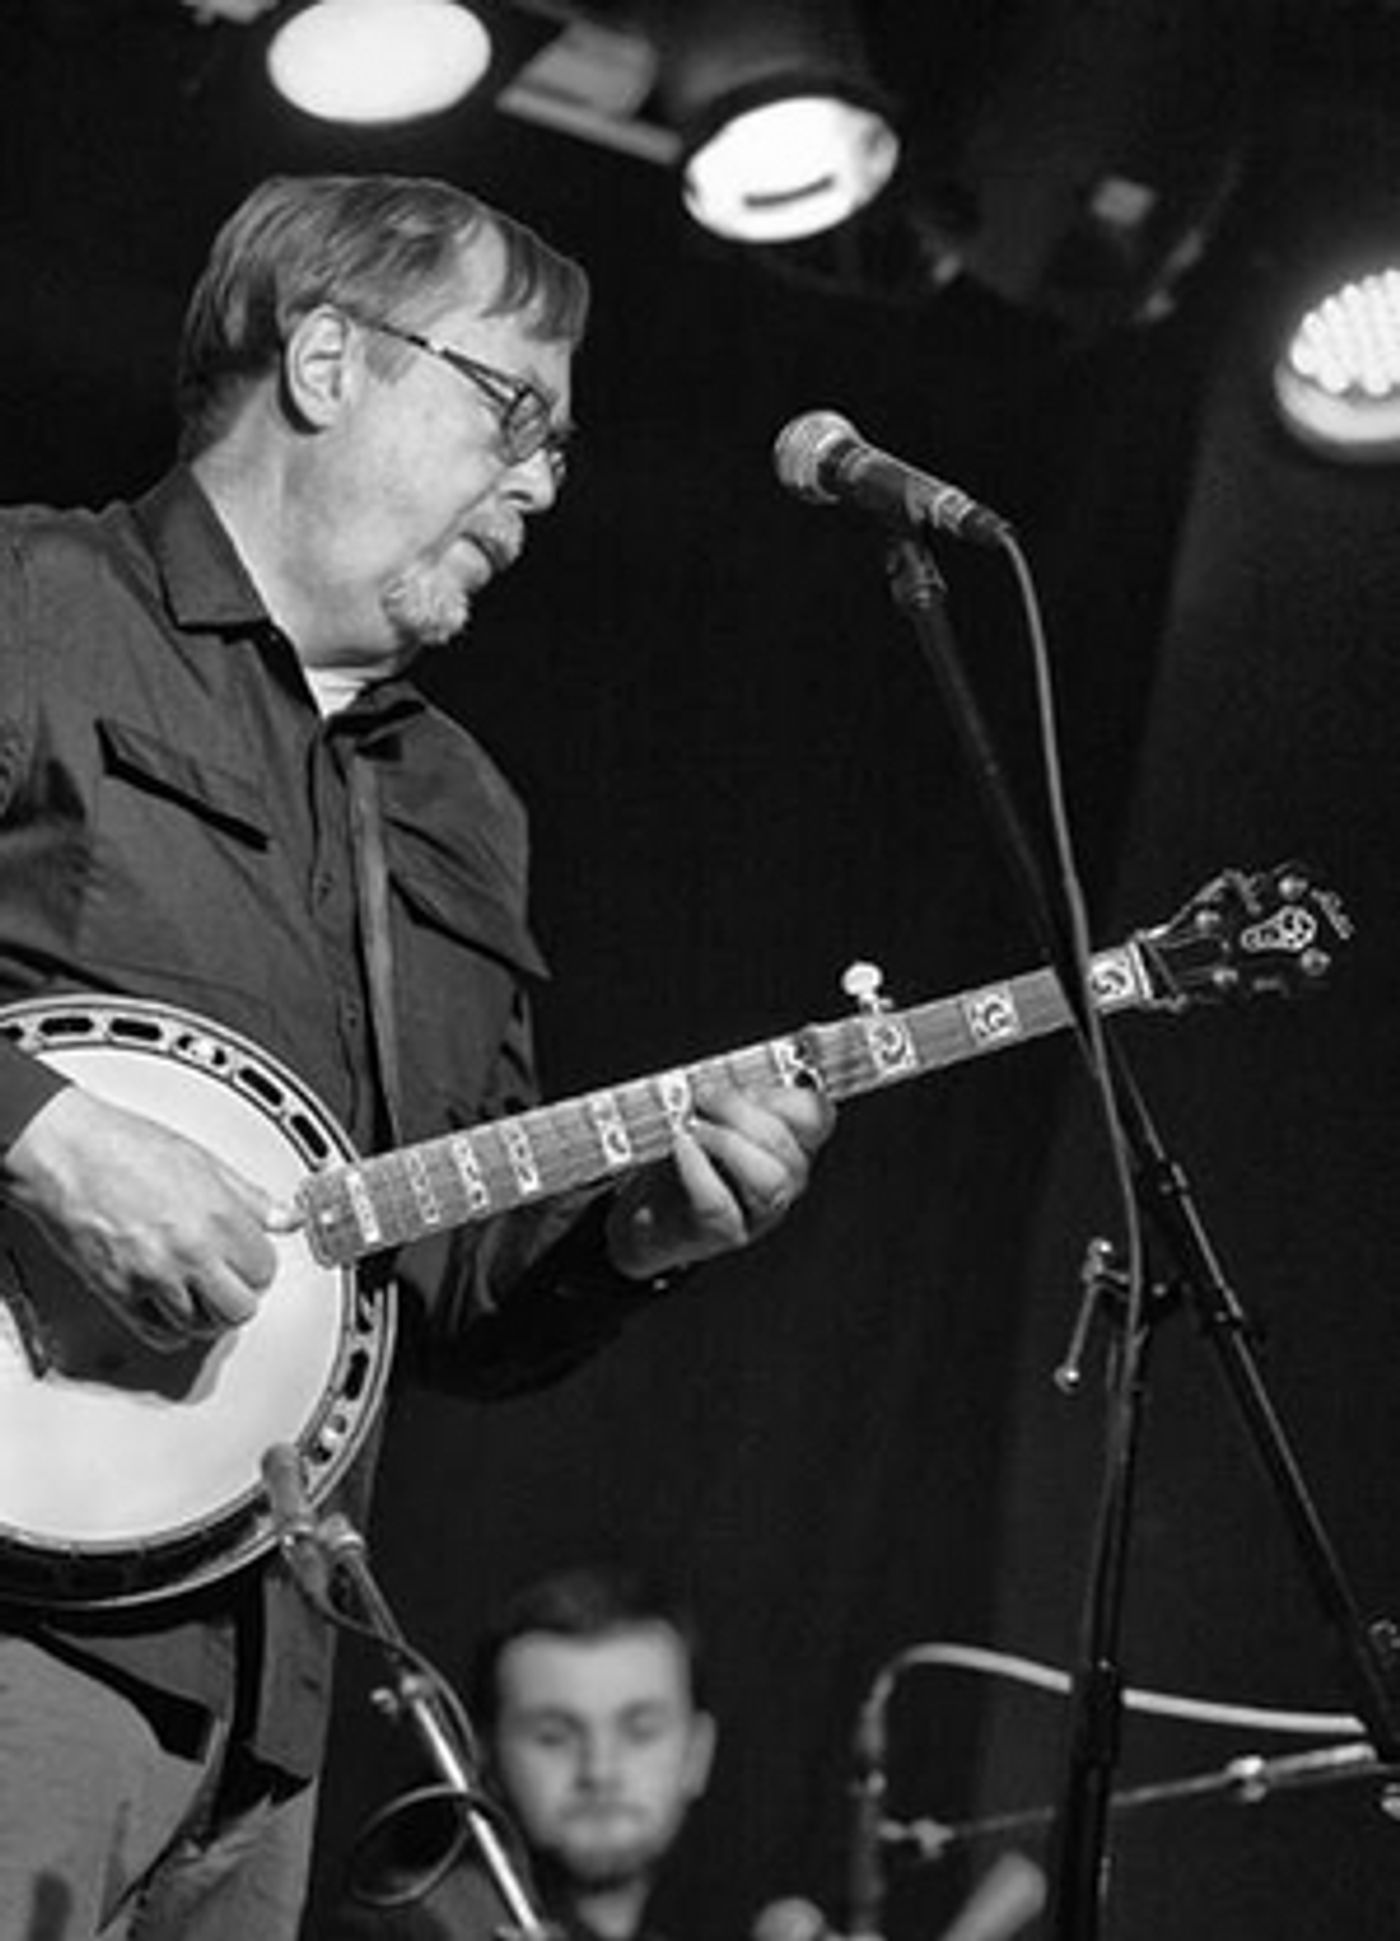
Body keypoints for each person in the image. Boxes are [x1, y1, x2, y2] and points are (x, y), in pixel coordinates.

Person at [0, 173, 832, 1939]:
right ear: (325, 358)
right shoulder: (33, 608)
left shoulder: (462, 812)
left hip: (263, 1694)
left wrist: (635, 1239)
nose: (541, 480)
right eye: (512, 409)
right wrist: (41, 1129)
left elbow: (442, 1291)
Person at [335, 1563, 715, 1941]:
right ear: (486, 1756)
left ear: (698, 1752)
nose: (599, 1771)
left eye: (640, 1732)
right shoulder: (402, 1930)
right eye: (554, 1737)